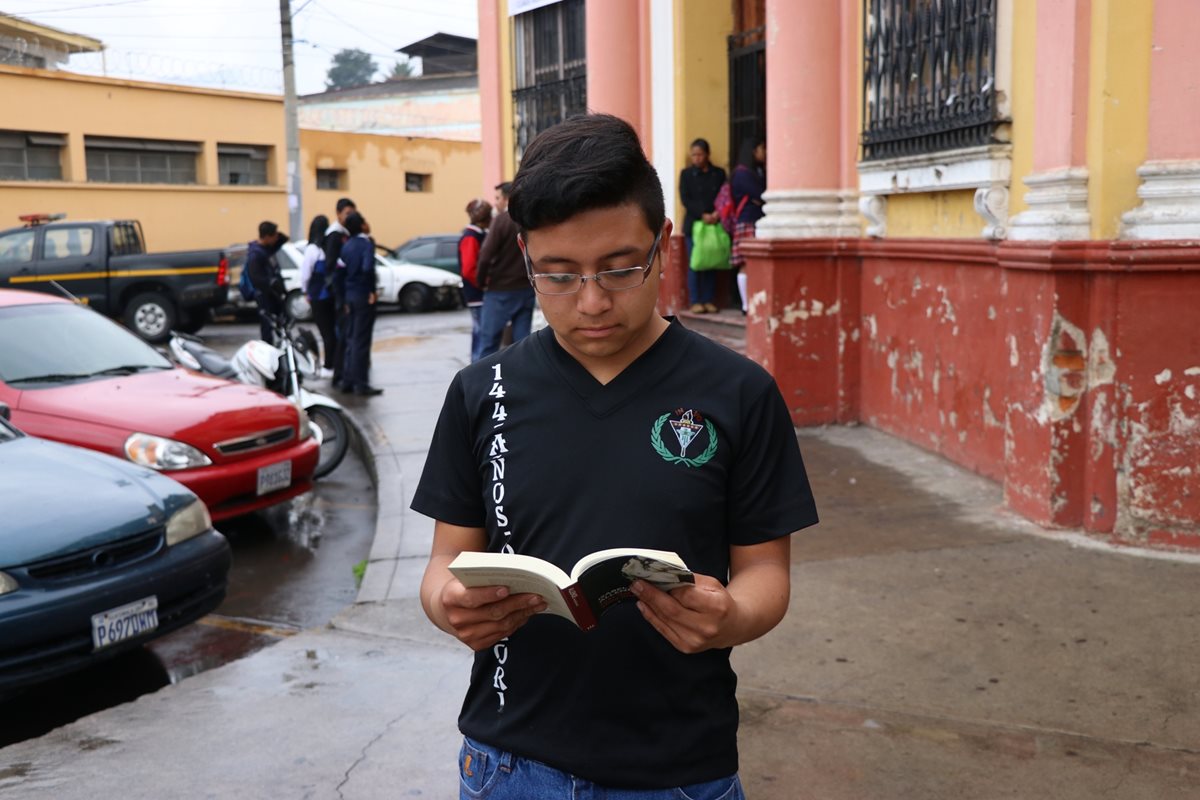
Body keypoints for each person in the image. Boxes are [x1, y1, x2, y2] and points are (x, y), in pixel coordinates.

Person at [412, 114, 818, 798]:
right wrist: (449, 604)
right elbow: (442, 565)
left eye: (620, 268)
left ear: (663, 243)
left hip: (680, 766)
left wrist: (733, 616)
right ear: (527, 258)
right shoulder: (483, 391)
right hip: (510, 763)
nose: (593, 302)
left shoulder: (738, 392)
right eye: (559, 276)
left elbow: (764, 573)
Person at [475, 181, 536, 360]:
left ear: (507, 198)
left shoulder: (501, 220)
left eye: (498, 198)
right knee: (522, 343)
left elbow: (485, 255)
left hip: (500, 290)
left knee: (489, 343)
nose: (496, 203)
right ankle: (523, 382)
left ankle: (483, 384)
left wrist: (480, 281)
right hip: (526, 287)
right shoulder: (529, 219)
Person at [678, 137, 727, 314]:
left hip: (714, 223)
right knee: (696, 262)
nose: (696, 158)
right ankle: (695, 300)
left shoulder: (719, 174)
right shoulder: (686, 174)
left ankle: (708, 299)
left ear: (707, 154)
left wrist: (716, 213)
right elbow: (685, 199)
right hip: (695, 224)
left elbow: (724, 195)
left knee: (711, 261)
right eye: (693, 155)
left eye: (699, 154)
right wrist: (702, 214)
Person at [337, 211, 382, 396]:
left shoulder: (346, 246)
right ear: (362, 225)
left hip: (350, 295)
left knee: (351, 338)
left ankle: (347, 380)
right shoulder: (366, 244)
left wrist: (344, 298)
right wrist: (371, 291)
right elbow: (367, 268)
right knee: (361, 341)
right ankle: (361, 383)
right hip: (363, 294)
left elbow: (340, 273)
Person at [729, 137, 766, 313]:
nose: (764, 153)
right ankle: (745, 305)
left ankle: (749, 303)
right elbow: (761, 194)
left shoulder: (756, 171)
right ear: (753, 151)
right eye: (761, 148)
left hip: (753, 219)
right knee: (745, 263)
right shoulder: (743, 174)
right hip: (748, 220)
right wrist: (758, 199)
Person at [323, 197, 357, 387]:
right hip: (340, 294)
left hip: (344, 292)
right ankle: (340, 375)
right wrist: (340, 297)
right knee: (343, 335)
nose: (350, 217)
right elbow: (331, 267)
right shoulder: (335, 235)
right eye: (347, 213)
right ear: (338, 214)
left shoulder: (344, 233)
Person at [299, 214, 336, 379]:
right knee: (333, 331)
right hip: (332, 294)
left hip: (318, 295)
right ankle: (335, 363)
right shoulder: (329, 247)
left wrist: (306, 291)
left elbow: (306, 274)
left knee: (325, 333)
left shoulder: (312, 249)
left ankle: (328, 366)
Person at [457, 198, 491, 360]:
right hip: (477, 294)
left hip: (478, 292)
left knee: (481, 332)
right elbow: (469, 268)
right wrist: (483, 284)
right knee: (481, 333)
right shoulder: (471, 237)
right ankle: (477, 368)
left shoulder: (478, 234)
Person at [244, 220, 288, 344]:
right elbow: (256, 277)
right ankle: (269, 348)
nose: (276, 238)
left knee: (281, 322)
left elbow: (283, 239)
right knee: (267, 326)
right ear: (267, 237)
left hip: (273, 294)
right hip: (264, 295)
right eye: (274, 235)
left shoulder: (267, 249)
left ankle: (283, 346)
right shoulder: (256, 254)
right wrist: (271, 283)